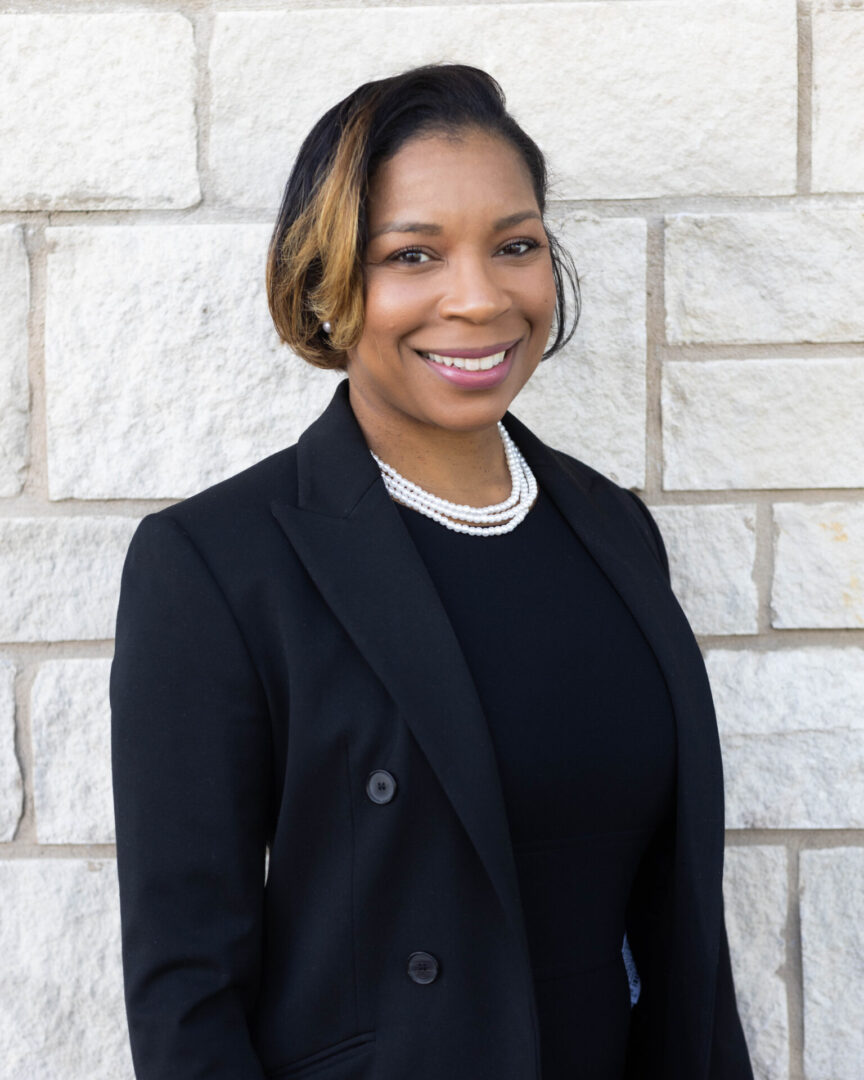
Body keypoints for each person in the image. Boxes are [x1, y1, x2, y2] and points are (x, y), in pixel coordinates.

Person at [110, 63, 754, 1080]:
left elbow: (674, 926)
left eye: (515, 246)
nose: (479, 299)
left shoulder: (612, 528)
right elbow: (187, 985)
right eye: (413, 254)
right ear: (326, 282)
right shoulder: (216, 565)